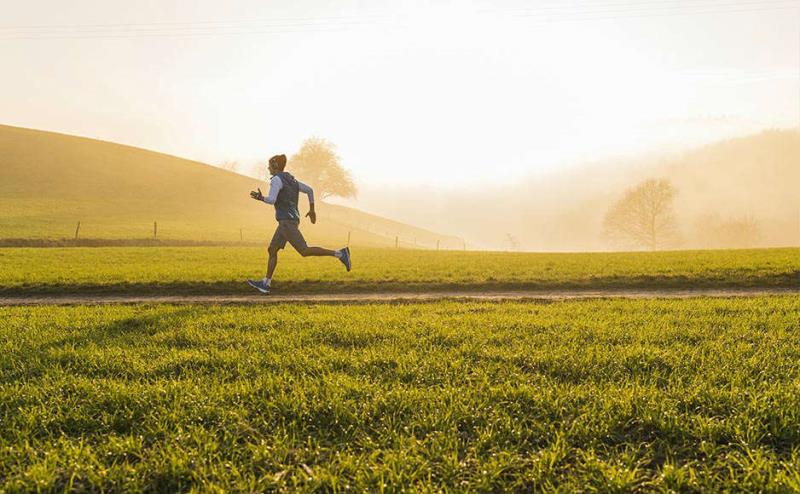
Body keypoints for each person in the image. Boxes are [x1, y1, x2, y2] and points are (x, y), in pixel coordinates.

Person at [247, 154, 351, 294]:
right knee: (272, 249)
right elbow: (309, 190)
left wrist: (261, 198)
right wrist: (312, 209)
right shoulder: (292, 180)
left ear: (275, 166)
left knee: (304, 250)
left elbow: (272, 200)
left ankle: (340, 254)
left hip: (286, 222)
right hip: (290, 221)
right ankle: (266, 283)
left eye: (269, 165)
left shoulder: (276, 180)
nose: (268, 168)